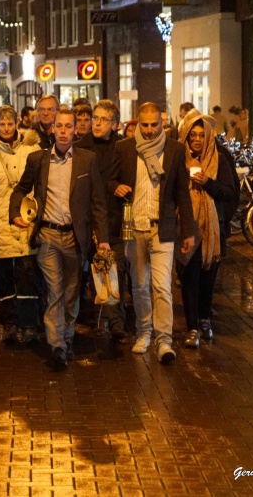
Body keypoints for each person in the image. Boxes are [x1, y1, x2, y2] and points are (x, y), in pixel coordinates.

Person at [9, 109, 110, 371]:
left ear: (76, 130)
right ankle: (57, 346)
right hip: (48, 235)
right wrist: (14, 214)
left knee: (71, 292)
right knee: (55, 290)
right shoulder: (38, 159)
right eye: (59, 126)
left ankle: (67, 338)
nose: (64, 131)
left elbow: (98, 202)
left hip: (77, 237)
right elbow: (20, 189)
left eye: (69, 126)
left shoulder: (88, 160)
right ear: (52, 128)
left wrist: (103, 240)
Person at [108, 102, 195, 364]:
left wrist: (188, 230)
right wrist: (117, 187)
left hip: (162, 228)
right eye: (144, 125)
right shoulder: (124, 148)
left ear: (162, 123)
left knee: (161, 286)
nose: (148, 130)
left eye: (153, 125)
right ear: (137, 122)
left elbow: (182, 191)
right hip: (134, 227)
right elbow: (109, 179)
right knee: (139, 285)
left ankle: (164, 339)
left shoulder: (175, 149)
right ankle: (144, 332)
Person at [0, 106, 42, 343]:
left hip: (27, 216)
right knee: (4, 276)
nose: (6, 128)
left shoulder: (32, 148)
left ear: (17, 123)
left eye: (10, 123)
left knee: (27, 273)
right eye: (1, 124)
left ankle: (29, 323)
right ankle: (9, 323)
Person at [177, 114, 236, 348]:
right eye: (193, 135)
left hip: (213, 230)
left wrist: (207, 183)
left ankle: (204, 320)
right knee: (189, 277)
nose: (198, 139)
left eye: (202, 135)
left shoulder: (219, 160)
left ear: (209, 136)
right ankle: (192, 326)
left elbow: (230, 194)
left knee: (208, 277)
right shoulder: (179, 159)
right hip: (187, 228)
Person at [76, 99, 127, 339]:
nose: (96, 123)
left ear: (115, 123)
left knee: (112, 270)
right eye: (95, 118)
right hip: (85, 219)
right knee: (86, 273)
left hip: (113, 219)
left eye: (103, 119)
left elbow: (128, 178)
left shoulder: (124, 148)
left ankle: (116, 321)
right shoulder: (80, 147)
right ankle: (91, 317)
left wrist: (115, 185)